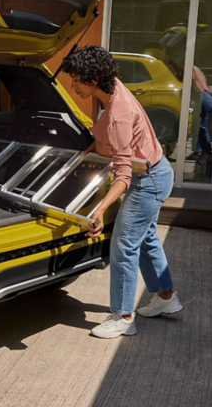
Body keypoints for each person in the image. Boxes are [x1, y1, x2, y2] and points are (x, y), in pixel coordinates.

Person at [60, 46, 183, 339]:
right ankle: (166, 299)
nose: (73, 86)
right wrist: (96, 146)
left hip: (147, 180)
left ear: (93, 78)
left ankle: (123, 316)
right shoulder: (108, 88)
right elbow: (108, 137)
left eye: (77, 80)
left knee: (124, 244)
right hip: (154, 173)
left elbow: (124, 174)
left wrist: (100, 209)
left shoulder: (118, 113)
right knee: (145, 238)